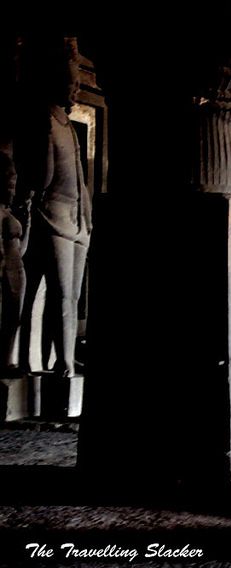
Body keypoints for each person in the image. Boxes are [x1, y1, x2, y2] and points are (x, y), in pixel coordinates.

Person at [15, 38, 91, 378]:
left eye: (77, 85)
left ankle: (65, 356)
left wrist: (87, 217)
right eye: (71, 84)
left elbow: (80, 180)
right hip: (52, 213)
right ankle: (51, 361)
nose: (75, 90)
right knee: (56, 294)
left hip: (75, 217)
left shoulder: (67, 127)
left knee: (71, 296)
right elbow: (42, 176)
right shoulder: (44, 119)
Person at [0, 141, 26, 374]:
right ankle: (4, 361)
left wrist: (26, 220)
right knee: (5, 316)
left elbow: (22, 248)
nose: (12, 188)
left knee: (13, 319)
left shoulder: (10, 214)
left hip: (17, 267)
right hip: (6, 267)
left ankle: (8, 359)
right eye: (9, 183)